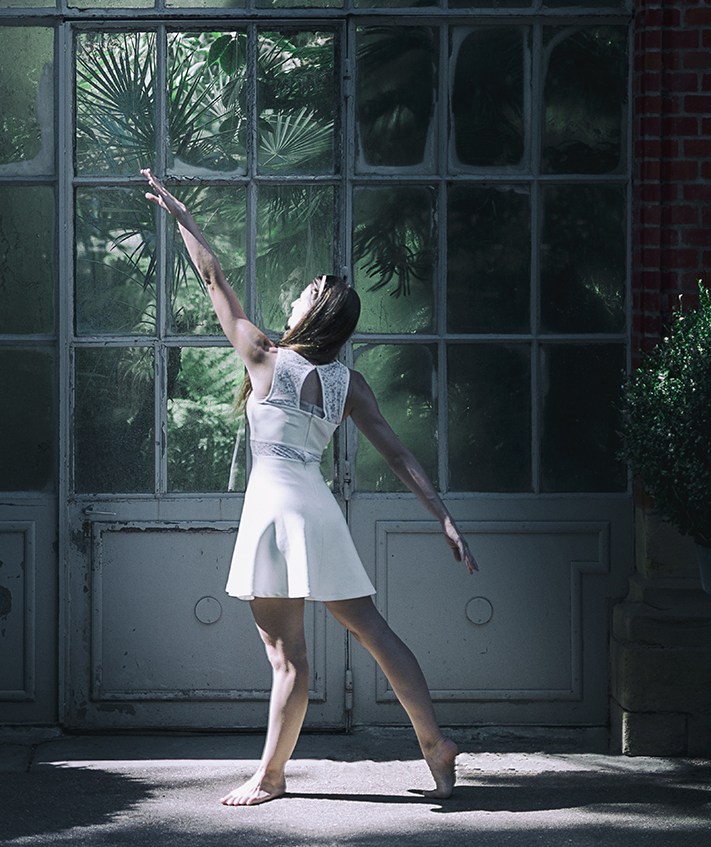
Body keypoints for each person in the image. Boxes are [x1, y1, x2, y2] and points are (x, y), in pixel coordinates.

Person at [143, 170, 479, 806]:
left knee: (288, 659)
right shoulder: (349, 386)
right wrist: (444, 518)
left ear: (315, 311)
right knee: (374, 631)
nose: (293, 299)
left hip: (274, 513)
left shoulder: (265, 355)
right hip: (316, 511)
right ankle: (435, 743)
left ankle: (271, 776)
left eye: (302, 294)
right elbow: (402, 454)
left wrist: (183, 216)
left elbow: (214, 279)